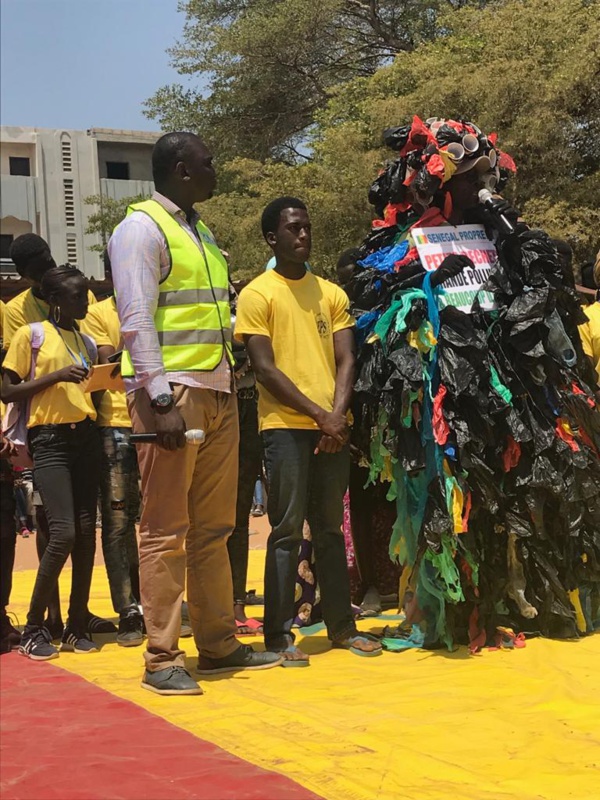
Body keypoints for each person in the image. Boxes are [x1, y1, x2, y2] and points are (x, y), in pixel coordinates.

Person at [346, 116, 600, 649]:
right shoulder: (406, 242)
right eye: (468, 179)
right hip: (447, 394)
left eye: (486, 176)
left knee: (513, 495)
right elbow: (381, 314)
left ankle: (516, 600)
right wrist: (426, 284)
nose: (481, 187)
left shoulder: (502, 236)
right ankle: (451, 610)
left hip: (508, 391)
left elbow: (540, 300)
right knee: (450, 500)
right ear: (439, 185)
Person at [109, 131, 282, 696]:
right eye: (208, 162)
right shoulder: (141, 230)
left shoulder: (200, 231)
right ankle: (162, 658)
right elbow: (136, 320)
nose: (215, 170)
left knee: (214, 528)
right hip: (173, 397)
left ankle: (217, 644)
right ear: (182, 170)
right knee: (165, 530)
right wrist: (159, 400)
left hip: (217, 391)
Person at [235, 196, 382, 665]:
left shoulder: (331, 294)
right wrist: (322, 417)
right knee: (284, 531)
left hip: (331, 429)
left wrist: (336, 417)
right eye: (293, 228)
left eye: (307, 227)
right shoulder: (257, 294)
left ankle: (342, 628)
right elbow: (264, 368)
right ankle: (278, 635)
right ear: (271, 238)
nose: (303, 235)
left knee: (330, 531)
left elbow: (347, 358)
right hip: (285, 428)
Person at [2, 234, 112, 640]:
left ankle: (77, 622)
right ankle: (36, 623)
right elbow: (8, 390)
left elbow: (90, 393)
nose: (86, 303)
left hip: (85, 437)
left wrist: (106, 378)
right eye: (78, 297)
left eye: (86, 295)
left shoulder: (85, 340)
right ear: (56, 301)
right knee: (62, 531)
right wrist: (57, 376)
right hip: (49, 439)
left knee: (85, 534)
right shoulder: (30, 334)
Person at [81, 264, 144, 647]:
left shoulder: (157, 306)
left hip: (155, 422)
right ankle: (128, 610)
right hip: (116, 426)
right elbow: (112, 362)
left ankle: (157, 601)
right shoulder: (98, 313)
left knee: (159, 520)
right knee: (119, 522)